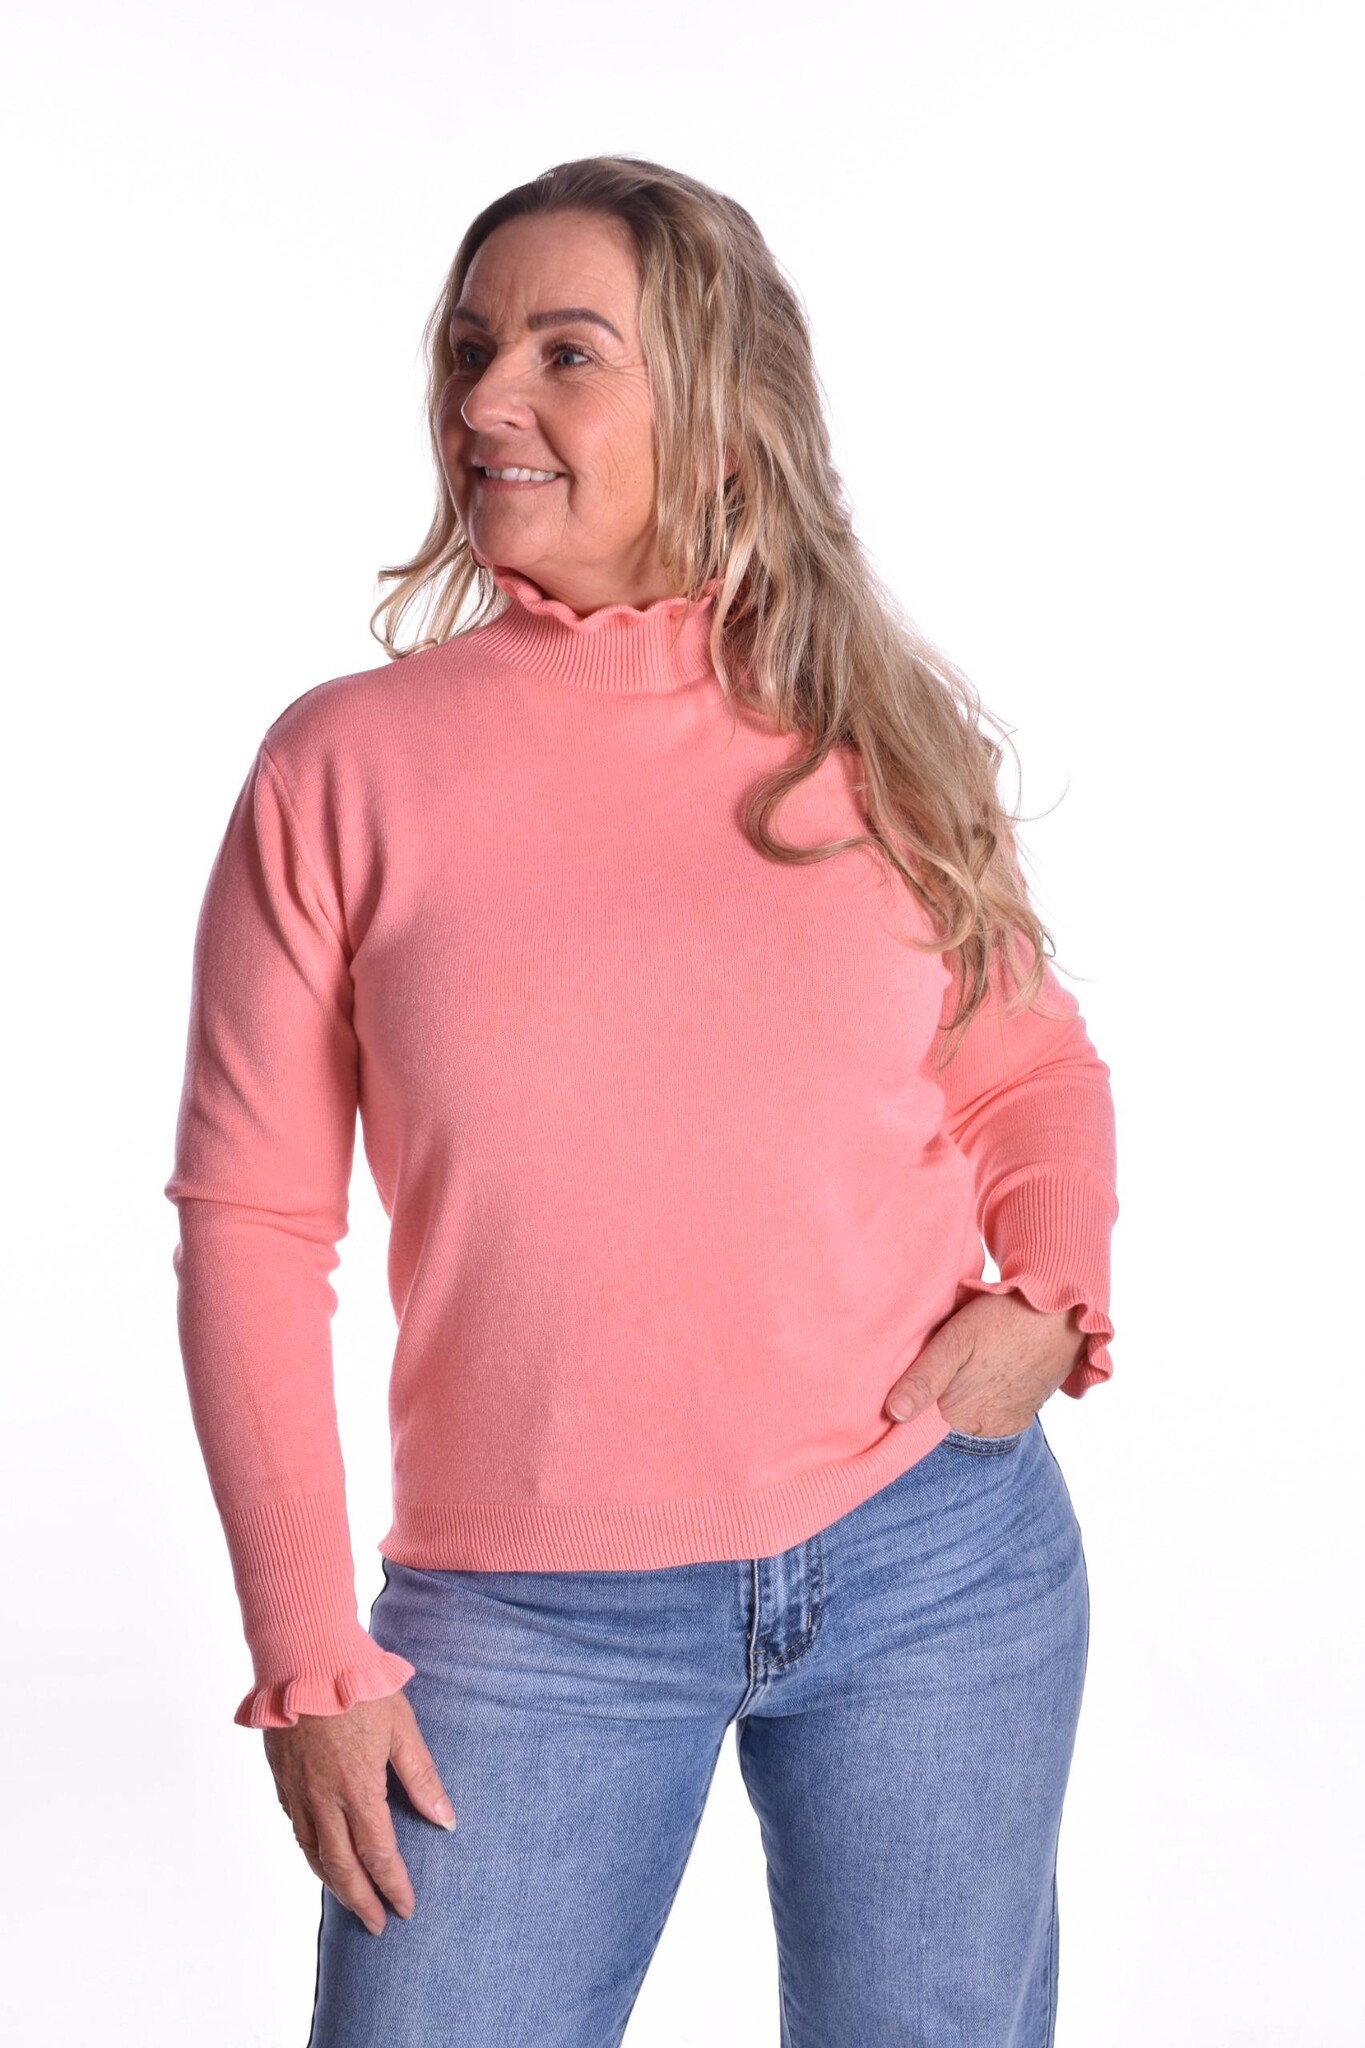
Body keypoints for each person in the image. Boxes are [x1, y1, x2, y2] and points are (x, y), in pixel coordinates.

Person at [164, 154, 1119, 2047]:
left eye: (564, 352)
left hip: (933, 1553)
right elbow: (253, 1226)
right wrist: (308, 1652)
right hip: (522, 1622)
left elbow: (1028, 1066)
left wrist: (1050, 1295)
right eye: (469, 348)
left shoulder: (872, 732)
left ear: (718, 404)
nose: (485, 398)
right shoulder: (343, 768)